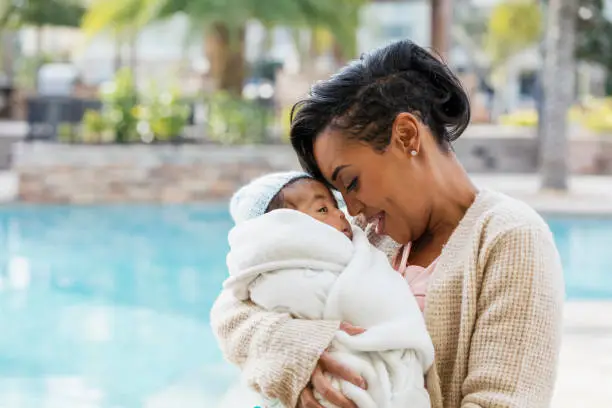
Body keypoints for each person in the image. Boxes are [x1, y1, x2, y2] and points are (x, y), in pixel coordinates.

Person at [210, 39, 565, 408]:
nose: (351, 209)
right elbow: (232, 307)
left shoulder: (509, 238)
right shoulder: (366, 237)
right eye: (337, 195)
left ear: (407, 135)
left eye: (351, 182)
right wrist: (295, 351)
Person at [223, 171, 434, 408]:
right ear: (283, 228)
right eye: (323, 210)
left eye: (335, 207)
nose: (345, 215)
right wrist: (295, 345)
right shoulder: (274, 269)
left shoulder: (356, 245)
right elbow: (230, 315)